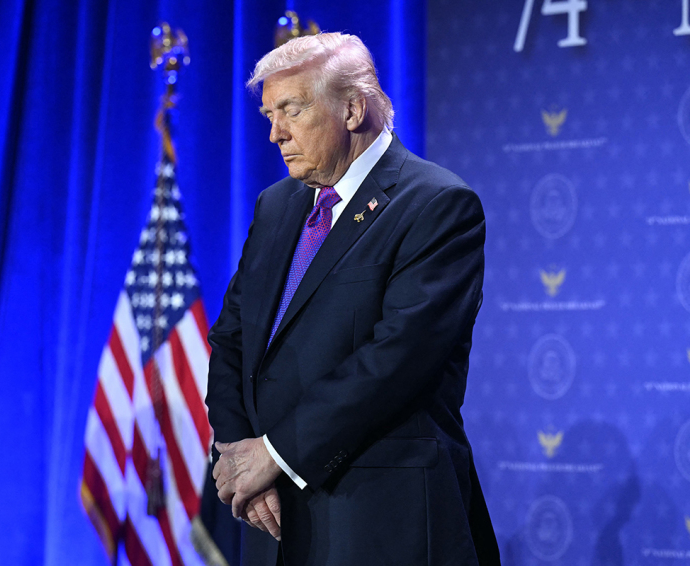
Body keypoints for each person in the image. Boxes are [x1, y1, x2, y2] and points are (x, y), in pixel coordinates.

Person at [206, 32, 499, 566]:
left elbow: (397, 360)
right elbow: (232, 336)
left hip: (382, 518)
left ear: (352, 108)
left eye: (291, 110)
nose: (274, 134)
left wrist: (273, 454)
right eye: (269, 114)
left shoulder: (437, 205)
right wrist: (236, 454)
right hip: (269, 512)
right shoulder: (277, 206)